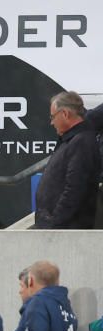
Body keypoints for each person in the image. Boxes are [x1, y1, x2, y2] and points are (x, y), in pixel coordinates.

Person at [35, 91, 101, 229]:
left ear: (65, 114)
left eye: (53, 117)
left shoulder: (82, 142)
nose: (52, 122)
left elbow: (75, 188)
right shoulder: (70, 141)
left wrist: (55, 222)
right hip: (58, 228)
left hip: (67, 232)